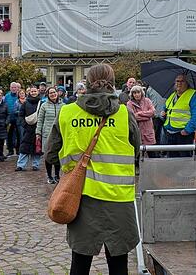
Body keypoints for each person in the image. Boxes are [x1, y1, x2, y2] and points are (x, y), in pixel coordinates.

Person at [45, 64, 140, 275]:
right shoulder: (125, 114)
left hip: (80, 198)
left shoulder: (67, 112)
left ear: (87, 83)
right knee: (118, 264)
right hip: (119, 199)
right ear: (113, 83)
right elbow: (136, 153)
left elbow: (50, 154)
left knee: (80, 262)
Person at [161, 74, 196, 157]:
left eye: (182, 81)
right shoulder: (173, 95)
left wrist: (187, 130)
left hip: (183, 134)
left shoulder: (193, 96)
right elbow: (167, 108)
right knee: (172, 161)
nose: (179, 83)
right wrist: (163, 112)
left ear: (187, 83)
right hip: (170, 133)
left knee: (184, 161)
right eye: (177, 81)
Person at [37, 86, 62, 183]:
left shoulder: (63, 105)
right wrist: (38, 133)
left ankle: (57, 175)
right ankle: (49, 176)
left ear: (57, 93)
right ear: (47, 95)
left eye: (54, 92)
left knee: (58, 155)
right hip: (47, 134)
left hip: (59, 134)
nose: (53, 94)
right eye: (50, 93)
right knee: (48, 155)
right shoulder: (44, 106)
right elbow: (40, 120)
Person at [16, 86, 42, 171]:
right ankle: (21, 165)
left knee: (37, 147)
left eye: (35, 91)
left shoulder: (42, 103)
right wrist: (24, 124)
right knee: (24, 147)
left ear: (37, 92)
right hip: (28, 129)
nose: (33, 93)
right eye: (32, 91)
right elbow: (21, 115)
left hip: (38, 129)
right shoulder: (25, 103)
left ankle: (36, 164)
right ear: (29, 93)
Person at [127, 86, 156, 152]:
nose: (137, 94)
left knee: (152, 153)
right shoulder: (129, 103)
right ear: (132, 94)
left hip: (148, 131)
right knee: (138, 153)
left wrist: (139, 113)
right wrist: (147, 116)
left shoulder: (147, 101)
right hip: (136, 132)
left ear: (141, 93)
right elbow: (132, 117)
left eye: (138, 92)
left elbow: (153, 112)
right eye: (134, 93)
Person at [4, 82, 21, 155]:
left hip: (18, 119)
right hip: (9, 119)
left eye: (15, 87)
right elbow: (4, 106)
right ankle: (10, 150)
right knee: (9, 135)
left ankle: (18, 150)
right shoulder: (7, 96)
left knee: (19, 135)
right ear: (10, 88)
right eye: (12, 87)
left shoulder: (20, 95)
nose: (14, 89)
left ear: (17, 88)